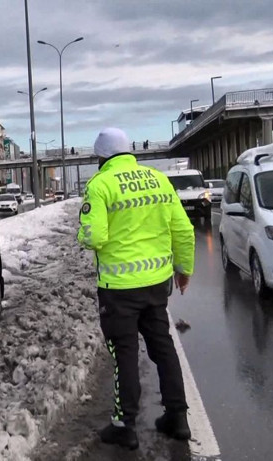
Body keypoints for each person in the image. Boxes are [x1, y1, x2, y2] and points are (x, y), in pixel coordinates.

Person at [77, 128, 195, 450]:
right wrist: (183, 270)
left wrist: (83, 232)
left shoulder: (100, 185)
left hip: (118, 290)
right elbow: (183, 230)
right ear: (130, 151)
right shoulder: (158, 180)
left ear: (101, 157)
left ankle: (124, 424)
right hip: (156, 286)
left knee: (125, 353)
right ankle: (178, 417)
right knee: (163, 348)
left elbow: (94, 237)